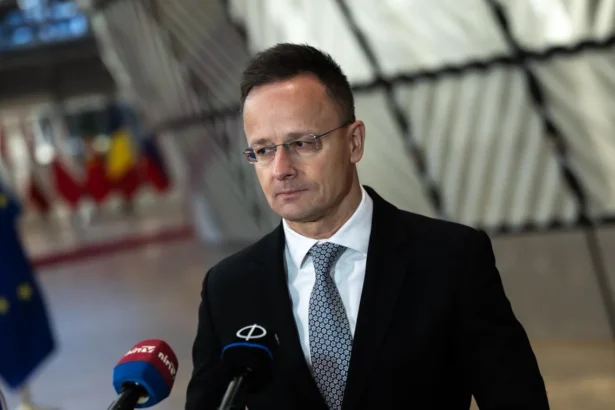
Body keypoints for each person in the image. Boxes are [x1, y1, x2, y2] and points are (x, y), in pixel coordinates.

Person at [185, 43, 549, 410]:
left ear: (354, 142)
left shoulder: (450, 260)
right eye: (263, 150)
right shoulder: (228, 288)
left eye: (302, 143)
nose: (281, 169)